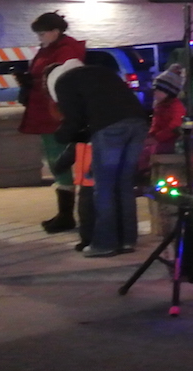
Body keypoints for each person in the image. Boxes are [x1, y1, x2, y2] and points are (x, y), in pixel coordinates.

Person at [49, 56, 149, 257]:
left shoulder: (63, 82)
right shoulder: (99, 72)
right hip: (138, 123)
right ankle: (127, 239)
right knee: (124, 185)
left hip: (110, 128)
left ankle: (105, 243)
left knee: (104, 188)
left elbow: (74, 120)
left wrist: (60, 136)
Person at [20, 12, 88, 234]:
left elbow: (61, 82)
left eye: (42, 33)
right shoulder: (51, 49)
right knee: (54, 159)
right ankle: (64, 213)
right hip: (47, 111)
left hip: (55, 114)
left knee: (59, 160)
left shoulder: (65, 51)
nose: (39, 37)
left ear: (55, 32)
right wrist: (28, 83)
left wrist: (33, 84)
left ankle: (67, 215)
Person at [149, 62, 186, 155]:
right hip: (161, 139)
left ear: (168, 92)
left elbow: (175, 126)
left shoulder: (176, 106)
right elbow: (156, 123)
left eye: (159, 90)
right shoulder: (159, 106)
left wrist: (157, 138)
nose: (155, 93)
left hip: (172, 141)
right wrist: (151, 135)